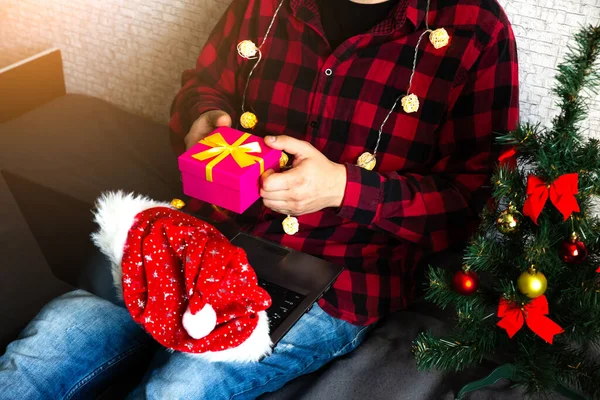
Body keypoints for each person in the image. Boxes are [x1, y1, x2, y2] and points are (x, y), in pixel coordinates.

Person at [0, 0, 518, 398]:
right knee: (42, 351)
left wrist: (343, 187)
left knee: (175, 391)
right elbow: (204, 86)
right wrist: (203, 120)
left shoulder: (475, 28)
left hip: (336, 274)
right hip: (209, 232)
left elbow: (478, 200)